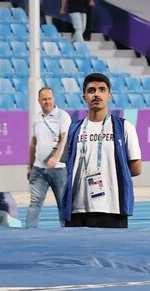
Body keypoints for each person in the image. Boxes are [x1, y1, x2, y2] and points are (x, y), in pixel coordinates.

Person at [60, 72, 142, 228]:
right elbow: (69, 165)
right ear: (84, 96)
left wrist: (108, 175)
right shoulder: (74, 129)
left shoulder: (124, 127)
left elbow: (136, 168)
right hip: (77, 209)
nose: (97, 94)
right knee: (77, 253)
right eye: (91, 90)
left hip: (112, 209)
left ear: (109, 95)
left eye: (102, 89)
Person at [25, 86, 71, 228]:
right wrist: (30, 165)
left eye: (49, 99)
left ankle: (67, 231)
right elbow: (33, 144)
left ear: (54, 99)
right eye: (44, 99)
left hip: (58, 169)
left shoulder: (62, 116)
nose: (47, 102)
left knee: (62, 203)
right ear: (39, 101)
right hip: (39, 169)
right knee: (35, 202)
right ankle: (29, 232)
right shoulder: (36, 118)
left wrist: (55, 158)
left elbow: (64, 139)